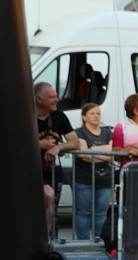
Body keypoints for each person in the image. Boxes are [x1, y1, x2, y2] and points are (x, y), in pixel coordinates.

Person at [35, 82, 81, 240]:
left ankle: (49, 241)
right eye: (52, 97)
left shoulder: (58, 116)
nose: (57, 100)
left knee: (51, 204)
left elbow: (76, 142)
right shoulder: (24, 115)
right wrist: (39, 144)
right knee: (45, 197)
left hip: (53, 171)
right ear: (39, 99)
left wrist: (57, 148)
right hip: (30, 171)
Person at [72, 103, 114, 242]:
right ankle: (83, 243)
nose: (96, 116)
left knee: (101, 214)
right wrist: (104, 151)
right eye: (92, 113)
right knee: (83, 213)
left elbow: (113, 152)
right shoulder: (79, 132)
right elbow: (83, 154)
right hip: (84, 180)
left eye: (98, 113)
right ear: (84, 116)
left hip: (105, 180)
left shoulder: (108, 132)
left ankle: (99, 243)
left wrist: (93, 150)